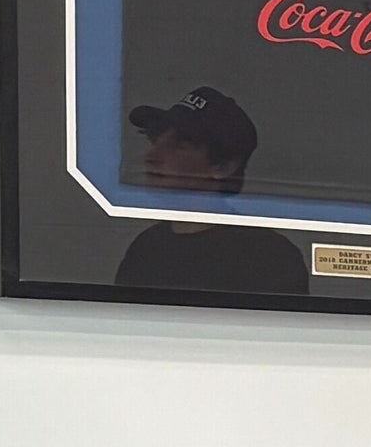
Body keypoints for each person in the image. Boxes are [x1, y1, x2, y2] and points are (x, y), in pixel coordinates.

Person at [111, 87, 308, 297]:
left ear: (223, 167)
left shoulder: (268, 255)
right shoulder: (145, 249)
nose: (152, 156)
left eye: (179, 145)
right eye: (154, 141)